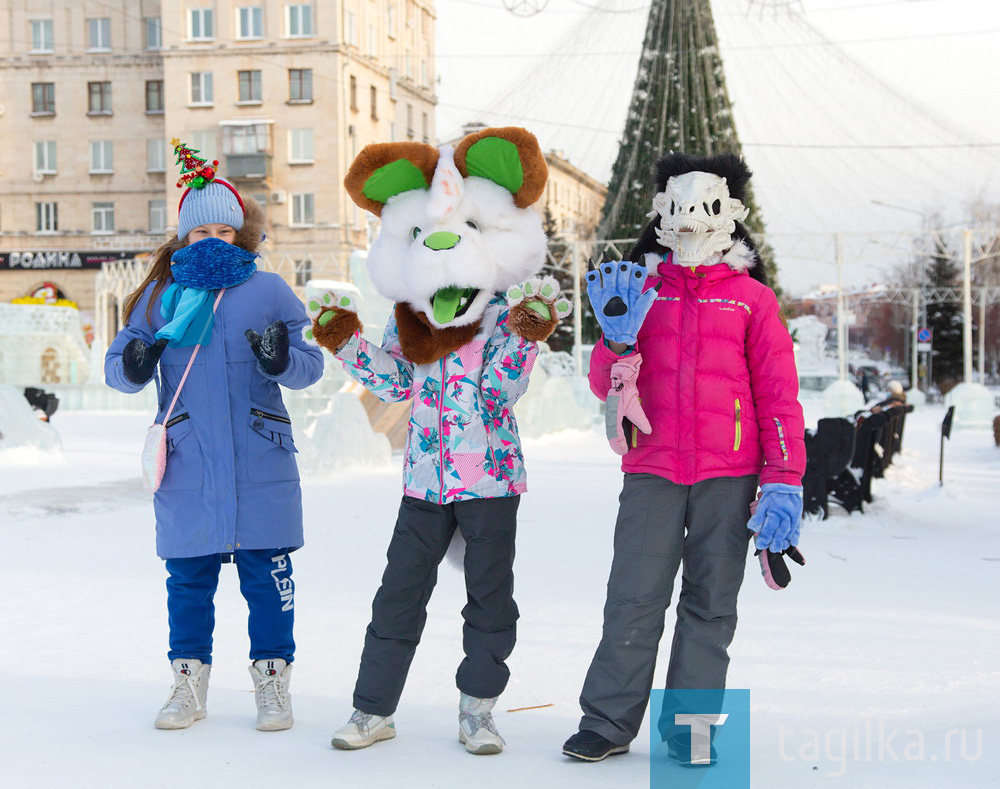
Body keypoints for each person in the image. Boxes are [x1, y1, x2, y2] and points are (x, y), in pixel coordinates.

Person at [305, 127, 570, 755]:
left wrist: (526, 338)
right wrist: (348, 343)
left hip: (491, 481)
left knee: (489, 600)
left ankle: (478, 709)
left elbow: (502, 392)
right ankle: (372, 710)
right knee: (397, 597)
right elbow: (397, 381)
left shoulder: (505, 312)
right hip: (425, 481)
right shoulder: (418, 317)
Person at [562, 153, 805, 764]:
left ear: (729, 214)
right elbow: (602, 382)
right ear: (662, 214)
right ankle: (608, 723)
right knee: (634, 596)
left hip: (730, 474)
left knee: (711, 602)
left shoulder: (752, 301)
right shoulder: (640, 292)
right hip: (652, 469)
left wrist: (784, 478)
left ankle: (692, 730)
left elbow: (778, 396)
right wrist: (616, 338)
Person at [104, 140, 323, 732]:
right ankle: (187, 685)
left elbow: (310, 366)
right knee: (188, 581)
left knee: (268, 575)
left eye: (226, 233)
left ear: (240, 237)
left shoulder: (268, 290)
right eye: (202, 235)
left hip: (259, 458)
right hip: (190, 461)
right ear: (184, 238)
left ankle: (273, 682)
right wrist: (135, 361)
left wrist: (281, 361)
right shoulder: (158, 296)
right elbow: (117, 370)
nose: (214, 243)